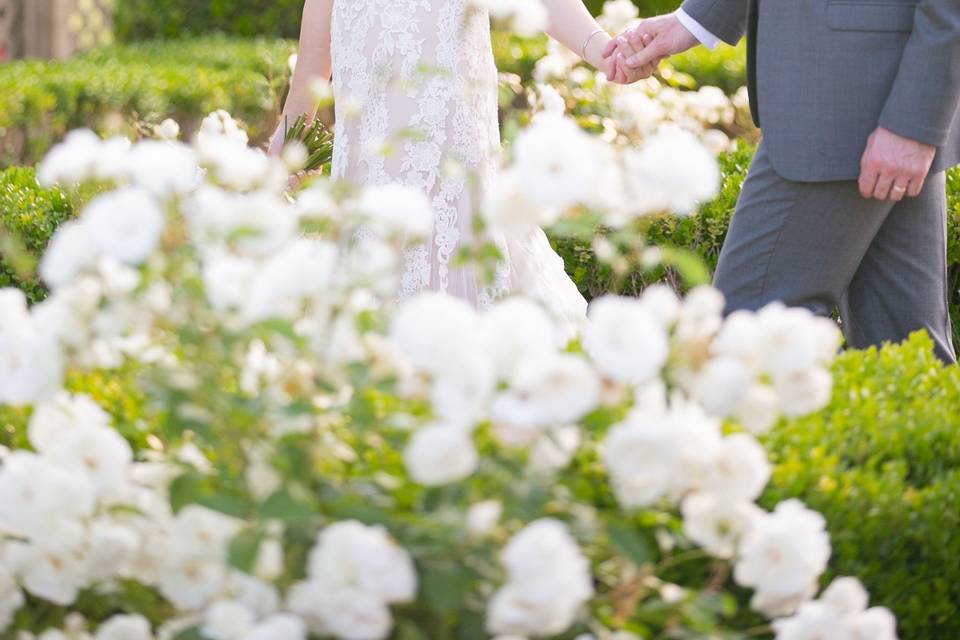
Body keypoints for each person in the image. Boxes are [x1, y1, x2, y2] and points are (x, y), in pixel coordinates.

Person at [607, 0, 960, 363]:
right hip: (860, 94)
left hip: (848, 107)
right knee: (908, 354)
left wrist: (914, 123)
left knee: (746, 335)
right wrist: (694, 22)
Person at [269, 0, 639, 326]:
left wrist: (601, 49)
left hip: (453, 157)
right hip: (369, 168)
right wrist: (293, 134)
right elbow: (316, 47)